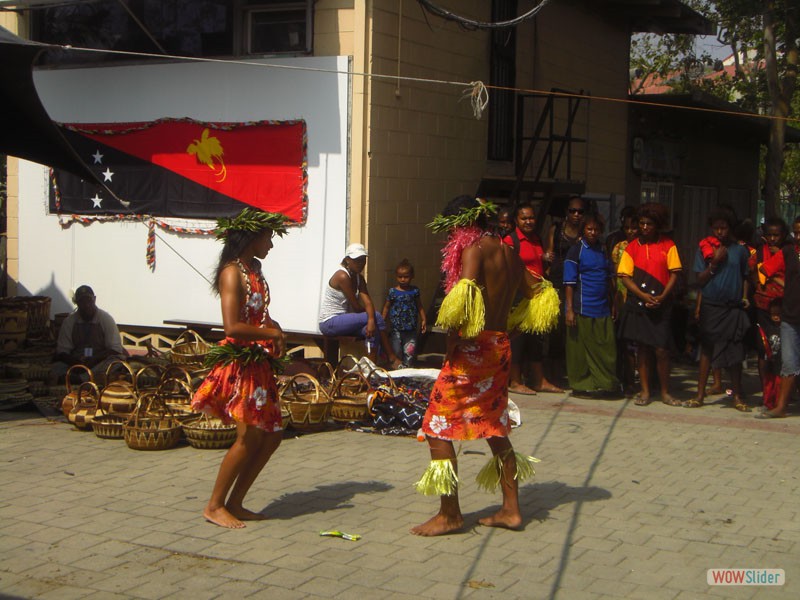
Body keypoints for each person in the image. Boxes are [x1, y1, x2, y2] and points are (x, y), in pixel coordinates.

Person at [412, 195, 541, 536]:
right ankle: (511, 510)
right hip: (498, 346)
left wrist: (452, 342)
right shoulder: (511, 254)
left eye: (452, 227)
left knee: (437, 427)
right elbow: (541, 293)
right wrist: (513, 320)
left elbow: (464, 297)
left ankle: (450, 514)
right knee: (494, 427)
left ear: (462, 224)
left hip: (471, 350)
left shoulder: (473, 250)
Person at [191, 208, 290, 529]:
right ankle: (214, 505)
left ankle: (236, 502)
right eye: (268, 237)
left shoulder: (254, 271)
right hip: (243, 366)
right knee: (248, 437)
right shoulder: (232, 273)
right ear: (252, 236)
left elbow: (258, 317)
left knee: (271, 436)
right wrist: (271, 333)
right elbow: (232, 326)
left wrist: (274, 328)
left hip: (259, 365)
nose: (271, 245)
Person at [616, 202, 682, 406]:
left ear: (657, 225)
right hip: (639, 303)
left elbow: (675, 273)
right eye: (641, 223)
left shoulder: (668, 245)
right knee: (642, 348)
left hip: (662, 303)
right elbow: (625, 276)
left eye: (649, 224)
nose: (644, 228)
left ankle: (664, 391)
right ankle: (644, 391)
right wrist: (643, 296)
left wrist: (663, 296)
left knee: (661, 349)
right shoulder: (632, 247)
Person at [686, 209, 751, 410]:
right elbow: (699, 279)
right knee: (706, 349)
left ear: (730, 228)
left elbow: (745, 276)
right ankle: (699, 395)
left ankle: (737, 396)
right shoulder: (704, 249)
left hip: (732, 308)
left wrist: (744, 297)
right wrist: (714, 262)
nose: (720, 232)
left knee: (735, 352)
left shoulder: (740, 251)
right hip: (711, 306)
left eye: (723, 228)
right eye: (716, 228)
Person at [502, 202, 562, 394]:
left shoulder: (536, 239)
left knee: (536, 339)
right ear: (516, 220)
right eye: (524, 218)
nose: (528, 221)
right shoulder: (510, 241)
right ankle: (515, 381)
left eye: (531, 218)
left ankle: (538, 380)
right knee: (517, 339)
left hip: (537, 296)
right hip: (519, 296)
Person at [318, 243, 403, 369]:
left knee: (371, 330)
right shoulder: (342, 276)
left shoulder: (359, 278)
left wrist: (370, 320)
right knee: (376, 317)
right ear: (347, 260)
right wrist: (371, 317)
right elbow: (357, 306)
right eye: (357, 260)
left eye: (363, 260)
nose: (361, 263)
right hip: (330, 322)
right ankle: (391, 356)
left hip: (343, 321)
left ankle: (370, 370)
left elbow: (367, 301)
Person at [563, 214, 620, 398]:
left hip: (602, 308)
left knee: (606, 349)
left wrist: (614, 304)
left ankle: (607, 384)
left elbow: (610, 279)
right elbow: (569, 284)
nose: (593, 232)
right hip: (582, 308)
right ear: (583, 230)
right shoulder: (575, 251)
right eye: (589, 229)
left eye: (596, 229)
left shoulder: (603, 251)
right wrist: (570, 310)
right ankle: (582, 386)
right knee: (580, 351)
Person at [756, 217, 800, 419]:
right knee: (788, 363)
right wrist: (786, 285)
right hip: (790, 316)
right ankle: (781, 407)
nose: (798, 236)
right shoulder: (788, 252)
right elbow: (764, 270)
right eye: (796, 232)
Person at [50, 285, 126, 384]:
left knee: (115, 363)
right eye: (82, 302)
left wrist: (94, 360)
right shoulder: (69, 321)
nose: (86, 305)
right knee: (54, 367)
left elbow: (115, 349)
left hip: (99, 362)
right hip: (76, 361)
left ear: (94, 300)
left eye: (89, 300)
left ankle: (80, 379)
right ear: (76, 303)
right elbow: (62, 351)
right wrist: (76, 362)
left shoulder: (105, 319)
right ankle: (77, 377)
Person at [749, 217, 788, 409]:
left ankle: (781, 396)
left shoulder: (789, 254)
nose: (772, 239)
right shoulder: (759, 254)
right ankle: (767, 395)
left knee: (781, 353)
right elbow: (753, 274)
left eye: (776, 235)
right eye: (769, 235)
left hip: (784, 308)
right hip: (762, 307)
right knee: (764, 352)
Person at [610, 210, 639, 396]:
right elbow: (614, 276)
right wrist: (615, 300)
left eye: (634, 227)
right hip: (622, 299)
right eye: (627, 228)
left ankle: (637, 381)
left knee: (637, 345)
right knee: (622, 343)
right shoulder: (619, 247)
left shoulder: (644, 247)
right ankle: (624, 381)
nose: (631, 231)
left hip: (640, 298)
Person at [381, 258, 427, 367]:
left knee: (409, 351)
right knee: (396, 350)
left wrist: (424, 319)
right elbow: (387, 307)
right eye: (400, 277)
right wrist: (382, 320)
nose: (403, 279)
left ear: (412, 276)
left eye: (406, 277)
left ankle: (407, 369)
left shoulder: (414, 291)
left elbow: (419, 306)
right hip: (396, 329)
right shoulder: (393, 292)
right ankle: (397, 371)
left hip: (410, 328)